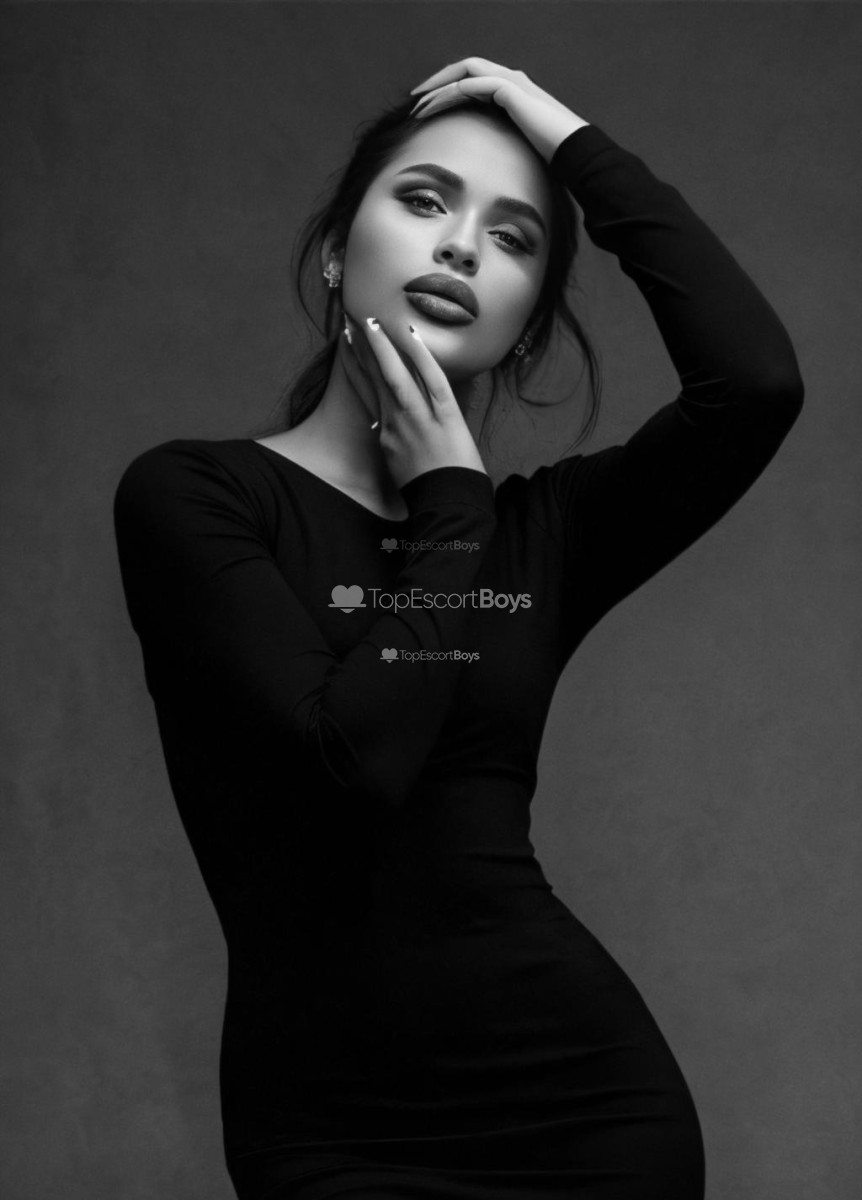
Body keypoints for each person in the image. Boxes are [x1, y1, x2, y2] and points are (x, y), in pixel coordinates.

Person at [113, 57, 804, 1200]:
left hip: (584, 1117)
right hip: (330, 1130)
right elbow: (347, 765)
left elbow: (756, 382)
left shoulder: (542, 538)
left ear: (526, 329)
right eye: (425, 200)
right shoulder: (197, 498)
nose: (462, 248)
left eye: (513, 238)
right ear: (335, 253)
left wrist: (565, 134)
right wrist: (448, 511)